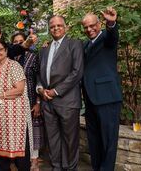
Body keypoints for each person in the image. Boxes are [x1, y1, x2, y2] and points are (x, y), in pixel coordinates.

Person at [36, 15, 84, 170]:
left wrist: (56, 91)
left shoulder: (74, 44)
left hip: (67, 101)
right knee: (52, 138)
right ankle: (56, 167)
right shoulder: (44, 49)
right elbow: (39, 74)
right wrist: (40, 89)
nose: (55, 28)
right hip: (47, 102)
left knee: (70, 139)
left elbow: (77, 72)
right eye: (52, 26)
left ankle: (70, 168)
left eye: (59, 25)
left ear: (66, 27)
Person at [81, 7, 121, 171]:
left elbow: (113, 37)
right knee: (94, 140)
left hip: (107, 98)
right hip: (90, 99)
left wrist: (111, 23)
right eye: (86, 27)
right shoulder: (84, 45)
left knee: (108, 140)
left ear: (99, 24)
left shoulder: (106, 37)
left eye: (92, 25)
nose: (89, 29)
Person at [0, 39, 32, 171]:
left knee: (20, 158)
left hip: (14, 121)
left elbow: (19, 89)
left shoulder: (14, 65)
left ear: (6, 50)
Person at [11, 32, 44, 171]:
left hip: (30, 98)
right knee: (18, 131)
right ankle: (18, 160)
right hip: (13, 101)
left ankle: (34, 160)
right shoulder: (10, 58)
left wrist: (38, 102)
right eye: (16, 42)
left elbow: (39, 78)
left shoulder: (33, 56)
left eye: (21, 41)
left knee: (33, 131)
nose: (19, 43)